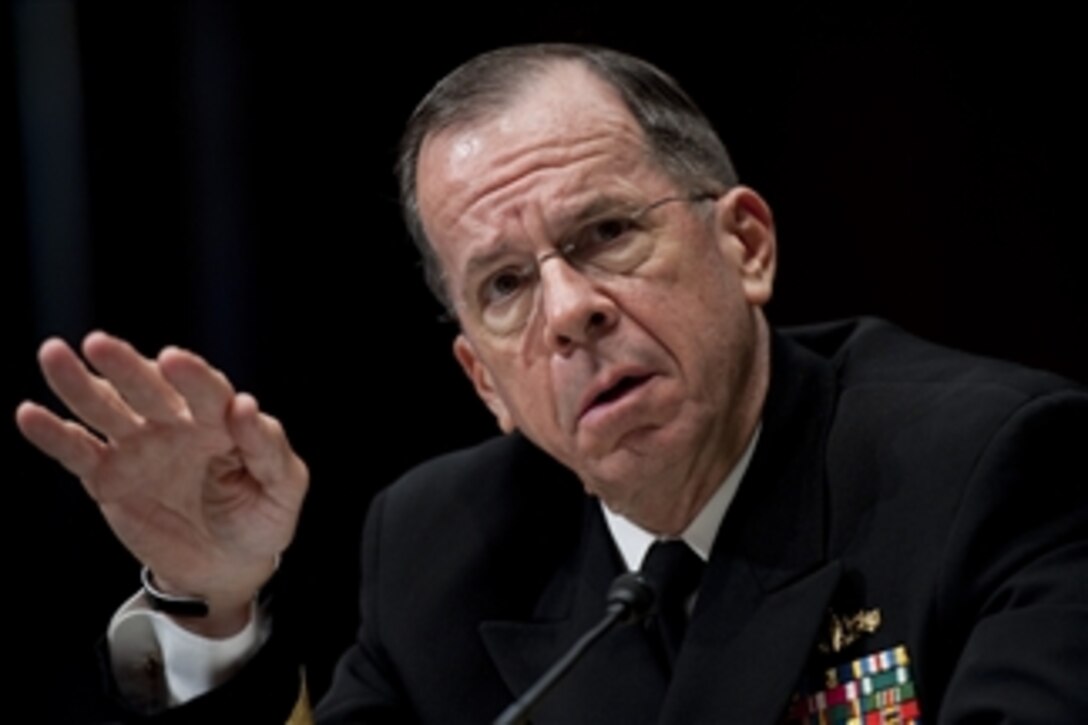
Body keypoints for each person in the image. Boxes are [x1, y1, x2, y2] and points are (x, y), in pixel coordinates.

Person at [16, 43, 1088, 723]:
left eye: (608, 232)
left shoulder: (990, 464)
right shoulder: (440, 547)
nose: (570, 308)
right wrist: (215, 606)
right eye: (506, 284)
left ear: (745, 244)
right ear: (483, 380)